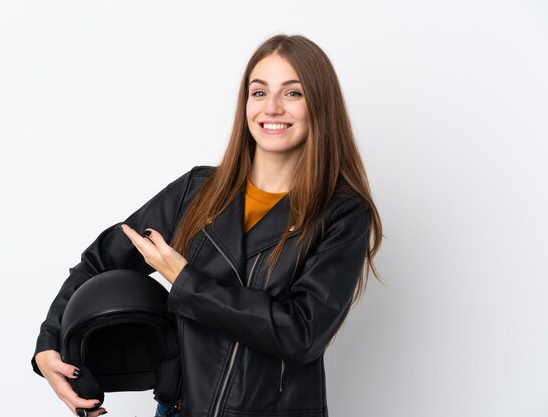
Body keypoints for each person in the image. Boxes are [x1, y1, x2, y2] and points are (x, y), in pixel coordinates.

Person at [32, 33, 383, 417]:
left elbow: (301, 333)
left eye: (293, 93)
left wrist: (186, 283)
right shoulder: (196, 191)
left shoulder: (341, 213)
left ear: (320, 104)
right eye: (259, 92)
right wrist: (49, 343)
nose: (273, 108)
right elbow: (100, 263)